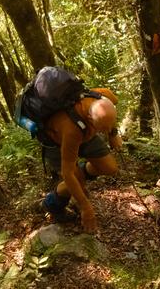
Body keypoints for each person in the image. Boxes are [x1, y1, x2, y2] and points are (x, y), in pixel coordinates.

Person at [39, 87, 122, 233]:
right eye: (103, 129)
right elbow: (67, 173)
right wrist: (86, 207)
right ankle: (51, 203)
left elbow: (109, 115)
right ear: (90, 119)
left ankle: (80, 175)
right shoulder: (71, 130)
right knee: (75, 182)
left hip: (86, 135)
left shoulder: (105, 97)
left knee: (110, 168)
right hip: (58, 142)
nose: (106, 131)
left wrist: (113, 133)